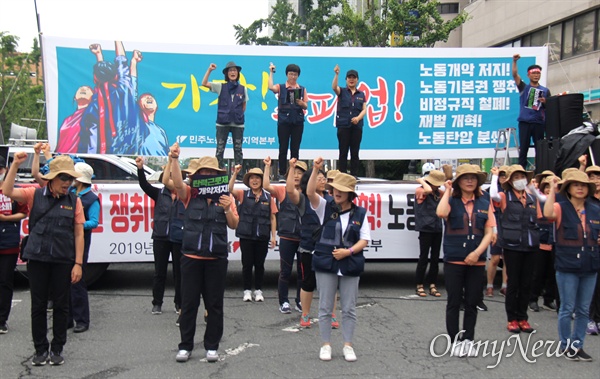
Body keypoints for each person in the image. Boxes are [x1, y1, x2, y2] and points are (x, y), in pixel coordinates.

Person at [2, 154, 85, 366]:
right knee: (38, 305)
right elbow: (8, 191)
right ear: (52, 179)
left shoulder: (74, 201)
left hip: (63, 259)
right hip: (37, 258)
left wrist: (78, 264)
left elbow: (78, 233)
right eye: (64, 178)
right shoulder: (34, 195)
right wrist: (16, 165)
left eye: (70, 178)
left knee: (61, 305)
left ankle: (57, 348)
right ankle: (40, 349)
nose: (68, 183)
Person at [168, 143, 239, 363]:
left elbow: (234, 224)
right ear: (197, 175)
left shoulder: (226, 196)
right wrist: (174, 159)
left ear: (218, 176)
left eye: (211, 173)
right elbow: (178, 183)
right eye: (203, 172)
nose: (207, 175)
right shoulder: (190, 194)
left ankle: (212, 346)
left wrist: (227, 208)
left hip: (216, 259)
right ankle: (185, 346)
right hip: (190, 258)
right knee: (189, 304)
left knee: (215, 305)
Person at [307, 157, 371, 362]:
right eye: (335, 188)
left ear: (350, 193)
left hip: (350, 262)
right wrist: (316, 169)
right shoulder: (325, 206)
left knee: (349, 308)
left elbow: (365, 239)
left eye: (342, 189)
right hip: (326, 262)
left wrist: (349, 251)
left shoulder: (360, 212)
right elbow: (309, 193)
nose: (337, 192)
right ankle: (325, 344)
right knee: (325, 306)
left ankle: (348, 345)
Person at [436, 164, 495, 357]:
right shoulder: (451, 200)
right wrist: (447, 190)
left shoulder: (485, 202)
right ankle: (454, 340)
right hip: (454, 259)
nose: (469, 181)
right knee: (453, 302)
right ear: (458, 182)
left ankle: (469, 339)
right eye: (465, 178)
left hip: (476, 260)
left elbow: (489, 232)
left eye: (473, 178)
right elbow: (441, 213)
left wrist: (477, 253)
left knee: (472, 302)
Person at [543, 171, 599, 361]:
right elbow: (547, 213)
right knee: (567, 308)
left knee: (583, 310)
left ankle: (578, 345)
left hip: (590, 265)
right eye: (576, 185)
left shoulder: (595, 209)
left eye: (583, 185)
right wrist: (552, 189)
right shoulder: (560, 207)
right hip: (567, 265)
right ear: (569, 189)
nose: (580, 188)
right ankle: (565, 345)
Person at [285, 159, 333, 327]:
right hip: (308, 248)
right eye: (318, 177)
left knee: (331, 283)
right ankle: (305, 315)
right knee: (308, 282)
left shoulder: (332, 200)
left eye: (323, 177)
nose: (322, 179)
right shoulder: (304, 200)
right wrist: (292, 168)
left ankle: (331, 314)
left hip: (329, 249)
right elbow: (290, 189)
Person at [495, 164, 541, 334]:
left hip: (530, 245)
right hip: (512, 245)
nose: (519, 180)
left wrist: (535, 190)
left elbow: (541, 216)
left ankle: (523, 317)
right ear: (510, 181)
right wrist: (494, 177)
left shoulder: (531, 198)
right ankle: (512, 318)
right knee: (513, 283)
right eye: (515, 177)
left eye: (522, 177)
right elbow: (493, 196)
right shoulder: (504, 196)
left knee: (526, 283)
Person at [135, 156, 182, 316]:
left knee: (179, 272)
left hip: (179, 238)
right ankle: (157, 303)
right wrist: (140, 168)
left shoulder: (184, 195)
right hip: (161, 237)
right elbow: (143, 185)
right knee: (159, 272)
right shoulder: (159, 193)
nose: (170, 180)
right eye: (168, 177)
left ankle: (179, 304)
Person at [229, 165, 277, 302]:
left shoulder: (269, 197)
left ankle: (259, 290)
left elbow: (273, 217)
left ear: (262, 181)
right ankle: (247, 290)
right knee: (247, 264)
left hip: (262, 236)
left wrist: (273, 236)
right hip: (246, 236)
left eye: (257, 178)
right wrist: (235, 174)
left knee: (260, 264)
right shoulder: (243, 194)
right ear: (248, 181)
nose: (255, 181)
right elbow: (230, 189)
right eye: (252, 178)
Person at [263, 156, 305, 312]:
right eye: (293, 172)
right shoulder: (282, 190)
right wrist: (267, 166)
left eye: (300, 173)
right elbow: (266, 185)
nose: (296, 176)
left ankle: (300, 301)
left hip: (304, 238)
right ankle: (283, 302)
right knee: (285, 271)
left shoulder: (309, 193)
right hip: (287, 236)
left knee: (303, 272)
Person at [68, 162, 100, 333]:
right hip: (65, 242)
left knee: (77, 280)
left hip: (81, 241)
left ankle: (82, 320)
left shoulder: (92, 199)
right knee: (63, 280)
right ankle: (66, 318)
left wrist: (77, 224)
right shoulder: (69, 193)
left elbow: (94, 222)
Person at [202, 62, 248, 175]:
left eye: (235, 70)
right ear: (227, 74)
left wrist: (238, 114)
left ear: (238, 73)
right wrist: (209, 70)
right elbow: (204, 83)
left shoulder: (243, 89)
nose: (233, 72)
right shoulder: (220, 86)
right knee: (220, 149)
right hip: (222, 122)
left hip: (238, 123)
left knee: (238, 149)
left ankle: (239, 174)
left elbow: (244, 105)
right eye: (230, 70)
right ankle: (218, 172)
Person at [0, 156, 28, 334]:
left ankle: (2, 319)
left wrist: (6, 219)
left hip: (8, 243)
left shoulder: (13, 192)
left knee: (5, 281)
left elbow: (23, 214)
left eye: (1, 170)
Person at [268, 63, 308, 180]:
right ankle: (282, 173)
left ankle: (294, 173)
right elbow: (271, 87)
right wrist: (271, 72)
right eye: (290, 74)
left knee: (295, 148)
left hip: (297, 122)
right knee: (283, 147)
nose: (293, 77)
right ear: (287, 75)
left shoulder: (302, 89)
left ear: (298, 76)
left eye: (295, 74)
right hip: (284, 121)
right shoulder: (281, 87)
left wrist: (302, 104)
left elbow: (306, 105)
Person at [512, 54, 551, 169]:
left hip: (538, 122)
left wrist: (544, 102)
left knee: (539, 148)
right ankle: (521, 170)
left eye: (538, 73)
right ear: (528, 75)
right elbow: (514, 74)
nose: (536, 75)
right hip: (525, 122)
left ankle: (539, 170)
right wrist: (515, 61)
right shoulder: (524, 87)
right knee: (524, 147)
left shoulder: (545, 90)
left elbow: (550, 106)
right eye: (534, 73)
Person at [528, 175, 558, 313]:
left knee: (553, 273)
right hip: (540, 242)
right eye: (546, 187)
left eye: (551, 187)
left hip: (555, 243)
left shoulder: (560, 203)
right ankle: (532, 299)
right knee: (537, 273)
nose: (548, 189)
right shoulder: (538, 200)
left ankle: (548, 300)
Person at [414, 169, 445, 298]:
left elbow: (451, 192)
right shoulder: (420, 190)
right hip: (425, 227)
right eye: (435, 183)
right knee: (423, 257)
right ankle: (419, 284)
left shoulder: (440, 192)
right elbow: (427, 191)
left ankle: (433, 283)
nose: (437, 185)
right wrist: (422, 180)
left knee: (435, 258)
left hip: (437, 227)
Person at [332, 65, 367, 175]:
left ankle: (354, 175)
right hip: (343, 125)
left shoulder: (361, 94)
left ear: (357, 79)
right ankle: (342, 174)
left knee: (355, 152)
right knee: (343, 151)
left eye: (354, 77)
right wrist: (336, 74)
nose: (351, 79)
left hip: (357, 126)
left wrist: (358, 118)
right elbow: (334, 87)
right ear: (346, 79)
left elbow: (364, 109)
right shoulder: (342, 91)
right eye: (349, 77)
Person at [487, 165, 509, 297]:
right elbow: (493, 196)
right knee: (495, 258)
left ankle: (505, 286)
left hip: (510, 226)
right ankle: (489, 285)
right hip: (496, 225)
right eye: (501, 175)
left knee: (507, 258)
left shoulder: (513, 191)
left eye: (506, 176)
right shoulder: (492, 190)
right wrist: (494, 177)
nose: (503, 178)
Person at [584, 165, 600, 335]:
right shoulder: (586, 201)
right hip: (590, 247)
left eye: (598, 177)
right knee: (591, 286)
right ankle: (590, 318)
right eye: (592, 178)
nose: (596, 181)